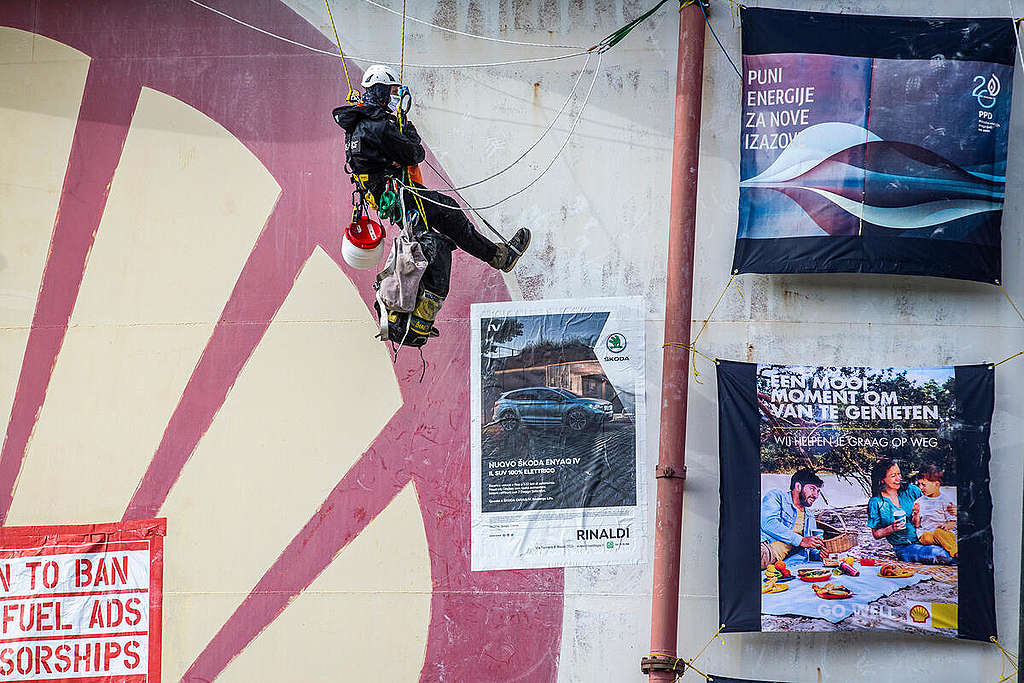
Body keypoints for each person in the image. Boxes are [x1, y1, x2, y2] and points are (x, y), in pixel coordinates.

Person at [332, 64, 530, 299]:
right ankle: (499, 257)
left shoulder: (356, 123)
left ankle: (494, 259)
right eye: (393, 91)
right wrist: (404, 126)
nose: (395, 97)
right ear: (381, 90)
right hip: (399, 195)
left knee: (428, 240)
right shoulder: (378, 126)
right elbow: (415, 154)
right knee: (448, 213)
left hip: (387, 196)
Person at [867, 458, 952, 564]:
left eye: (899, 474)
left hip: (927, 537)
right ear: (881, 480)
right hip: (905, 547)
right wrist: (891, 528)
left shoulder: (912, 490)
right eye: (893, 476)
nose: (898, 478)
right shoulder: (876, 502)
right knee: (939, 554)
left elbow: (933, 505)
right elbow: (876, 534)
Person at [760, 468, 825, 570]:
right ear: (798, 486)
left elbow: (809, 549)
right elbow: (768, 523)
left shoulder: (810, 517)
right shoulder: (777, 496)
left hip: (786, 563)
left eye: (818, 491)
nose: (816, 495)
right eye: (812, 489)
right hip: (765, 548)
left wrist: (819, 554)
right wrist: (801, 540)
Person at [912, 465, 958, 559]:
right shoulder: (919, 502)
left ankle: (950, 549)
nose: (920, 488)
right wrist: (916, 514)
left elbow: (953, 522)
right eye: (919, 484)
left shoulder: (945, 501)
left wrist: (947, 525)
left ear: (937, 484)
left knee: (941, 534)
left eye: (924, 485)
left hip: (943, 534)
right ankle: (955, 552)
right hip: (926, 535)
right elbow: (917, 525)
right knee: (933, 535)